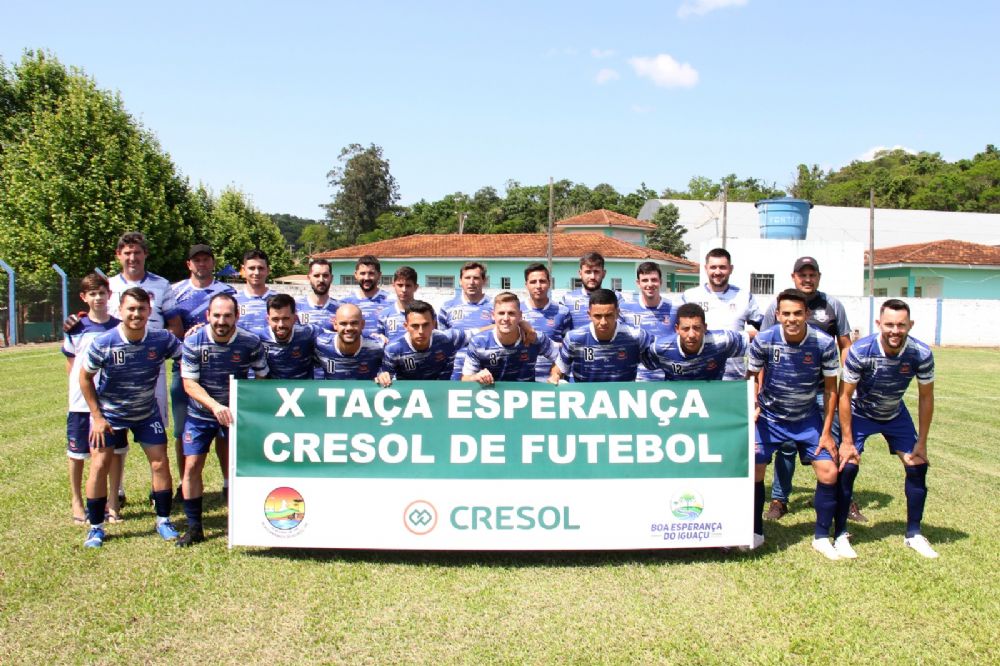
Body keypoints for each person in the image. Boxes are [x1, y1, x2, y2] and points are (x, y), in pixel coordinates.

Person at [78, 287, 182, 548]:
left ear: (149, 310)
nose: (136, 314)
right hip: (110, 415)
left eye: (141, 309)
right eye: (131, 309)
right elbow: (85, 378)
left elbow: (186, 356)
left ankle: (163, 520)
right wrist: (97, 417)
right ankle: (96, 527)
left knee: (160, 463)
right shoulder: (105, 342)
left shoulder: (161, 339)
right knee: (99, 465)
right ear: (120, 310)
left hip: (146, 413)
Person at [838, 299, 938, 558]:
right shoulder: (861, 350)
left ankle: (914, 534)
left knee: (917, 465)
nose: (895, 330)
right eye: (889, 324)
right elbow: (844, 396)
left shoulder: (920, 353)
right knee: (847, 465)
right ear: (879, 323)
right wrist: (847, 441)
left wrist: (922, 441)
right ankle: (840, 534)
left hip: (894, 413)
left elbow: (926, 397)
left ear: (910, 325)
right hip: (860, 412)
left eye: (901, 325)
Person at [747, 289, 843, 559]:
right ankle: (755, 532)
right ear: (778, 315)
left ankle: (821, 537)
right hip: (770, 417)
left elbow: (831, 389)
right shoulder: (765, 339)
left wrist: (827, 432)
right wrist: (754, 404)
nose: (792, 319)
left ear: (807, 314)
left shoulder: (824, 342)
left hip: (806, 418)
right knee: (755, 468)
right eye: (786, 313)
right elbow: (751, 376)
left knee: (828, 472)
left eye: (798, 313)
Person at [759, 256, 856, 522]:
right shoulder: (777, 305)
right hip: (785, 391)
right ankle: (779, 499)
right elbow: (764, 348)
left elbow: (845, 345)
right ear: (794, 277)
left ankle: (841, 498)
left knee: (831, 443)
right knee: (786, 445)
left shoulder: (832, 305)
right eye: (802, 275)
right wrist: (762, 389)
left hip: (824, 390)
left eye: (812, 275)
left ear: (819, 277)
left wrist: (848, 381)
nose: (807, 279)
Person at [179, 293, 268, 546]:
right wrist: (215, 406)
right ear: (208, 315)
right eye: (216, 315)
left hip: (236, 416)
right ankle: (194, 527)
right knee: (192, 466)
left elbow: (262, 376)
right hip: (201, 414)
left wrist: (246, 405)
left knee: (244, 466)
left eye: (227, 315)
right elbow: (189, 383)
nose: (221, 321)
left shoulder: (250, 341)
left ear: (237, 316)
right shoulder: (194, 341)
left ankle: (244, 520)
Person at [106, 231, 183, 506]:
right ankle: (117, 491)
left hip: (151, 367)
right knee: (115, 432)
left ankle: (156, 492)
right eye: (127, 253)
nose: (132, 258)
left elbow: (174, 324)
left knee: (155, 430)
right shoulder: (108, 285)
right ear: (118, 255)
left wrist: (158, 349)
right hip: (116, 370)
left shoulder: (161, 285)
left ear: (145, 254)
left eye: (137, 252)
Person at [169, 244, 236, 501]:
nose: (202, 264)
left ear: (213, 262)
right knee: (183, 430)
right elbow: (168, 329)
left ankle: (228, 483)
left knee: (224, 428)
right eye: (196, 260)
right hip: (186, 369)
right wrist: (185, 338)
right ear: (189, 264)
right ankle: (183, 482)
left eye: (206, 259)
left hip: (220, 370)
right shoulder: (175, 291)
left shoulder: (227, 291)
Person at [62, 274, 120, 525]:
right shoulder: (76, 327)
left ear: (109, 295)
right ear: (83, 297)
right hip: (80, 402)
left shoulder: (118, 326)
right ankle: (77, 501)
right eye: (92, 294)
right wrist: (78, 390)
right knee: (77, 454)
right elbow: (71, 362)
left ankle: (113, 502)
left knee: (114, 453)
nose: (98, 298)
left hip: (110, 402)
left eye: (102, 293)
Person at [680, 247, 761, 380]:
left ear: (731, 269)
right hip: (698, 376)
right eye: (713, 267)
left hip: (735, 378)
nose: (717, 272)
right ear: (706, 268)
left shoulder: (744, 297)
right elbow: (677, 332)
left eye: (722, 267)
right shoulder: (690, 296)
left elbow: (765, 331)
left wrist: (748, 336)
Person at [552, 288, 652, 383]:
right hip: (587, 395)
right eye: (598, 316)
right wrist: (555, 376)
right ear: (589, 314)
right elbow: (559, 368)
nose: (603, 322)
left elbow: (657, 356)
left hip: (624, 394)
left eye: (608, 315)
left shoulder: (636, 336)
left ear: (617, 313)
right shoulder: (574, 339)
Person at [462, 292, 559, 384]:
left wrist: (555, 374)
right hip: (491, 394)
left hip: (525, 394)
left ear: (520, 316)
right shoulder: (479, 342)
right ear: (493, 316)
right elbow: (465, 379)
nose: (506, 318)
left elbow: (560, 356)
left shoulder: (533, 337)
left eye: (511, 313)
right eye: (501, 313)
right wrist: (475, 377)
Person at [642, 303, 747, 381]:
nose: (691, 335)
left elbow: (755, 345)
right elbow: (645, 365)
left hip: (713, 399)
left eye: (697, 328)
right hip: (675, 400)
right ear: (677, 329)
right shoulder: (659, 349)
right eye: (685, 329)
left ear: (705, 327)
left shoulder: (723, 341)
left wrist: (751, 381)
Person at [378, 301, 473, 385]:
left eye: (425, 325)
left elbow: (478, 334)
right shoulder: (394, 350)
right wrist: (382, 378)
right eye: (415, 326)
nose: (421, 331)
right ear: (406, 326)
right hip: (409, 395)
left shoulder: (448, 339)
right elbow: (385, 378)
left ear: (433, 324)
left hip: (443, 392)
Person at [620, 262, 675, 381]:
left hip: (668, 380)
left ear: (661, 282)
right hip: (637, 381)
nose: (650, 284)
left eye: (654, 280)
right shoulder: (624, 309)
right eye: (645, 280)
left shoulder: (674, 309)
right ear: (638, 283)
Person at [439, 261, 494, 380]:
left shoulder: (495, 306)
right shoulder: (447, 307)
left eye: (476, 278)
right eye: (467, 278)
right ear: (460, 281)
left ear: (484, 281)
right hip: (453, 374)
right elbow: (442, 342)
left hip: (485, 374)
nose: (471, 282)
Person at [520, 263, 572, 382]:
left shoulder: (563, 312)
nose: (538, 286)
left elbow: (568, 349)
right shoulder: (516, 311)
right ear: (526, 285)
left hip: (552, 381)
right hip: (522, 382)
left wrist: (557, 373)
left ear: (549, 283)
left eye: (542, 281)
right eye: (533, 282)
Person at [315, 303, 385, 380]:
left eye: (354, 323)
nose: (349, 328)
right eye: (343, 323)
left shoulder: (378, 347)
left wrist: (384, 376)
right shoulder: (321, 345)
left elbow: (389, 372)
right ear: (335, 325)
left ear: (362, 324)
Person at [262, 294, 321, 380]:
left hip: (303, 387)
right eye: (275, 319)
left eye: (286, 318)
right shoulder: (258, 338)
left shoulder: (309, 333)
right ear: (268, 319)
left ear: (295, 318)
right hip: (272, 387)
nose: (281, 325)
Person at [561, 252, 617, 330]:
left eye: (596, 272)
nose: (592, 277)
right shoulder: (567, 299)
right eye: (588, 272)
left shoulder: (615, 298)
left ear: (604, 274)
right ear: (580, 274)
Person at [340, 255, 393, 337]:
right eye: (362, 273)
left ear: (379, 275)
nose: (366, 278)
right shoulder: (344, 303)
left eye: (371, 273)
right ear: (356, 275)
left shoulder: (391, 302)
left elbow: (393, 333)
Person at [235, 249, 277, 336]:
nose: (256, 272)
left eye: (261, 268)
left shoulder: (279, 300)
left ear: (268, 270)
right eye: (252, 268)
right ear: (243, 270)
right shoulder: (233, 301)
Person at [376, 266, 420, 345]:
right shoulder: (384, 314)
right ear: (393, 286)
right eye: (400, 285)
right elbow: (379, 339)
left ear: (416, 287)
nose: (404, 290)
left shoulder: (425, 313)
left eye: (408, 285)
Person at [295, 258, 338, 331]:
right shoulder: (296, 307)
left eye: (325, 275)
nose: (321, 280)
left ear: (331, 278)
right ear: (309, 278)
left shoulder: (340, 308)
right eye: (316, 275)